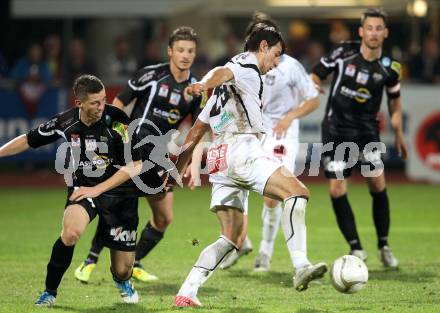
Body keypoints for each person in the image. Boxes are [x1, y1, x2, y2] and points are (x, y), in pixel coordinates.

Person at [171, 23, 327, 307]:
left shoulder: (225, 92)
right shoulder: (245, 64)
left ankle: (187, 291)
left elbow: (197, 130)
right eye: (276, 54)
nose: (276, 63)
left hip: (219, 160)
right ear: (264, 47)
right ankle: (301, 265)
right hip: (242, 151)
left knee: (230, 238)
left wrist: (178, 167)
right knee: (297, 192)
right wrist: (204, 84)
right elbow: (222, 72)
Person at [74, 26, 206, 283]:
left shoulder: (196, 90)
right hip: (132, 146)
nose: (185, 55)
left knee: (164, 217)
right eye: (180, 49)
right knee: (120, 201)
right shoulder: (151, 75)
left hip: (158, 155)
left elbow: (198, 131)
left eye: (190, 50)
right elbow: (120, 102)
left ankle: (134, 262)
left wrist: (194, 164)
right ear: (170, 51)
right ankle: (90, 260)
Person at [0, 75, 142, 306]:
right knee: (70, 233)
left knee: (124, 268)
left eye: (103, 100)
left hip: (120, 194)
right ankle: (49, 292)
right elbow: (28, 139)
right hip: (84, 190)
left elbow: (135, 164)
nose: (101, 107)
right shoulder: (65, 122)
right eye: (95, 103)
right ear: (80, 104)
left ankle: (121, 280)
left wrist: (99, 189)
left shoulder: (117, 121)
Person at [219, 12, 321, 271]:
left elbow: (313, 99)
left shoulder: (290, 66)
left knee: (273, 195)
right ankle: (238, 240)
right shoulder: (242, 65)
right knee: (231, 187)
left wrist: (290, 116)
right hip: (249, 135)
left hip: (279, 134)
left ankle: (265, 252)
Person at [310, 8, 407, 267]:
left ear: (385, 33)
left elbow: (395, 104)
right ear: (361, 31)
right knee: (337, 187)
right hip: (336, 130)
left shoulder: (391, 69)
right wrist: (315, 83)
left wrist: (398, 132)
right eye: (370, 28)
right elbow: (317, 72)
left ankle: (384, 245)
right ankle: (356, 248)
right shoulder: (343, 53)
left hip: (367, 132)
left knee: (377, 184)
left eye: (379, 29)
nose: (374, 33)